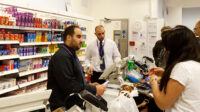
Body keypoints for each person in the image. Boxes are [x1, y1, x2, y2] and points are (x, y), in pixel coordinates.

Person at [47, 25, 106, 111]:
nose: (81, 40)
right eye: (78, 37)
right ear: (68, 37)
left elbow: (75, 78)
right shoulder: (62, 57)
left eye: (81, 37)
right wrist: (94, 89)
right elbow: (69, 85)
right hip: (63, 106)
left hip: (73, 104)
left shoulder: (71, 53)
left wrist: (87, 85)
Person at [149, 25, 200, 112]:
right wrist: (166, 73)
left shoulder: (182, 68)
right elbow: (186, 83)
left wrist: (153, 80)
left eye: (168, 46)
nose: (165, 49)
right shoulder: (195, 64)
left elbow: (163, 103)